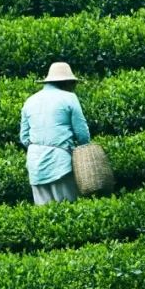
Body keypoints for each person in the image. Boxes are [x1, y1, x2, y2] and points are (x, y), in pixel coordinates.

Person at [19, 61, 91, 205]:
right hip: (61, 164)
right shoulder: (69, 98)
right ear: (66, 82)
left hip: (35, 165)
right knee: (68, 210)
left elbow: (24, 137)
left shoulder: (30, 101)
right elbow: (83, 135)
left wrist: (41, 147)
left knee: (45, 215)